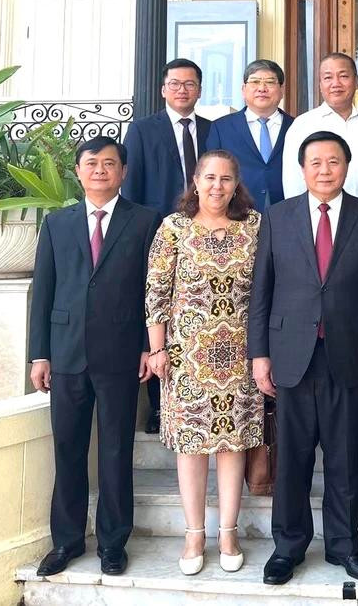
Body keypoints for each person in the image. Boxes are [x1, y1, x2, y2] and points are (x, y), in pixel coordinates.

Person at [249, 131, 358, 586]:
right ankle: (287, 547)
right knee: (291, 458)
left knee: (345, 456)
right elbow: (262, 292)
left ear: (346, 167)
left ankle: (344, 545)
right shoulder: (277, 217)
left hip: (348, 353)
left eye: (333, 162)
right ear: (302, 168)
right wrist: (260, 354)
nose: (325, 170)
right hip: (291, 354)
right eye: (316, 162)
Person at [29, 136, 161, 578]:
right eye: (92, 163)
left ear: (123, 172)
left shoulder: (144, 221)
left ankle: (112, 543)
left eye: (109, 164)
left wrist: (148, 343)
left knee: (116, 451)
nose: (100, 170)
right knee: (67, 451)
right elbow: (43, 292)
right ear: (79, 171)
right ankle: (65, 542)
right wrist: (39, 355)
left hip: (121, 354)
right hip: (65, 355)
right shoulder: (57, 224)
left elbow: (153, 290)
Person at [145, 150, 263, 576]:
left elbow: (267, 289)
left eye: (226, 179)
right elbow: (156, 291)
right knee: (192, 448)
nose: (217, 186)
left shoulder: (254, 226)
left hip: (240, 354)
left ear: (236, 184)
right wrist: (157, 349)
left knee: (232, 446)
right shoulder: (174, 228)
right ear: (195, 181)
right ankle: (195, 532)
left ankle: (228, 531)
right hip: (187, 357)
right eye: (209, 178)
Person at [122, 57, 211, 434]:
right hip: (160, 237)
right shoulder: (142, 131)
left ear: (199, 89)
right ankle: (160, 407)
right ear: (163, 89)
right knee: (161, 313)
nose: (182, 90)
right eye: (175, 83)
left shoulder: (212, 130)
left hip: (206, 239)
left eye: (190, 84)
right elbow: (134, 187)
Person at [282, 53, 358, 205]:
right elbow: (292, 183)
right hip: (320, 223)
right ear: (320, 85)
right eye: (328, 78)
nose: (336, 83)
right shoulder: (302, 126)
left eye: (343, 76)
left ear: (356, 82)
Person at [206, 59, 292, 213]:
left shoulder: (297, 127)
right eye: (255, 82)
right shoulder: (221, 128)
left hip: (288, 213)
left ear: (282, 89)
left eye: (270, 82)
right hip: (236, 214)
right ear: (243, 89)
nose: (262, 88)